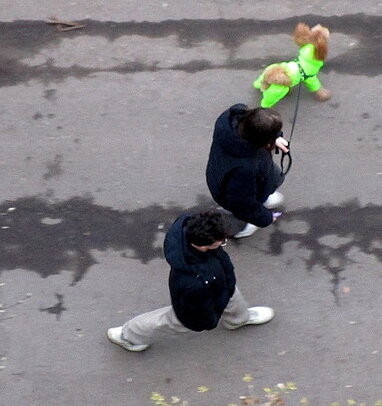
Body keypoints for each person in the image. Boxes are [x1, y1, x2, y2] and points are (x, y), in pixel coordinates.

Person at [107, 211, 274, 352]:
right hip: (199, 300)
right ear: (203, 246)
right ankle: (129, 335)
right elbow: (199, 310)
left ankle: (239, 319)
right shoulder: (194, 281)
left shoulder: (191, 226)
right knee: (172, 321)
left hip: (219, 282)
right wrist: (209, 321)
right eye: (220, 242)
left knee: (232, 296)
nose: (223, 243)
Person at [205, 104, 288, 239]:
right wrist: (265, 218)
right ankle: (245, 226)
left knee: (264, 186)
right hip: (231, 191)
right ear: (265, 140)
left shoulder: (230, 119)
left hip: (221, 173)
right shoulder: (245, 169)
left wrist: (276, 137)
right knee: (246, 210)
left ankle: (263, 199)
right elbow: (243, 205)